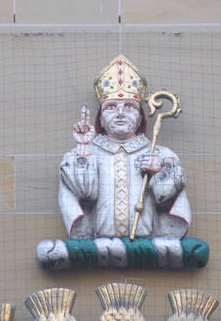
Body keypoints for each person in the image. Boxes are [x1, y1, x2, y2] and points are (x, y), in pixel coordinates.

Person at [56, 55, 190, 266]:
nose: (120, 113)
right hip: (99, 244)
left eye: (129, 107)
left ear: (140, 118)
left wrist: (158, 172)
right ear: (100, 118)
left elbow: (166, 196)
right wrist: (83, 148)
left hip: (147, 246)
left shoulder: (161, 154)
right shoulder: (84, 153)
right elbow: (84, 193)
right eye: (111, 107)